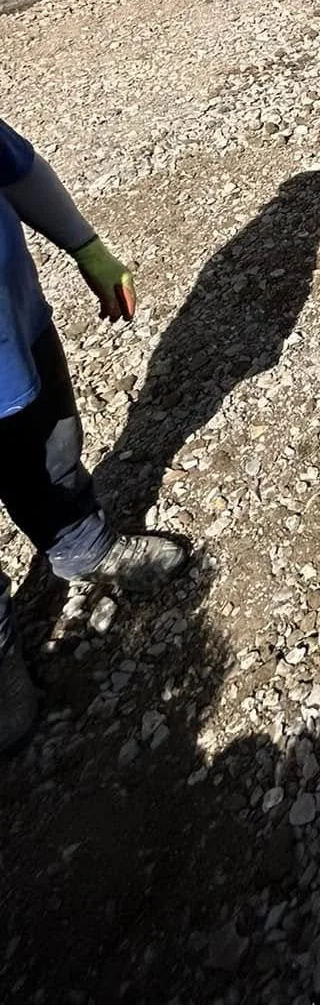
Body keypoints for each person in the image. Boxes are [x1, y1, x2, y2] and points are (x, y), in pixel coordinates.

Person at [0, 115, 187, 751]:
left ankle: (84, 546)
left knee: (54, 446)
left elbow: (18, 169)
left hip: (17, 334)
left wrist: (85, 246)